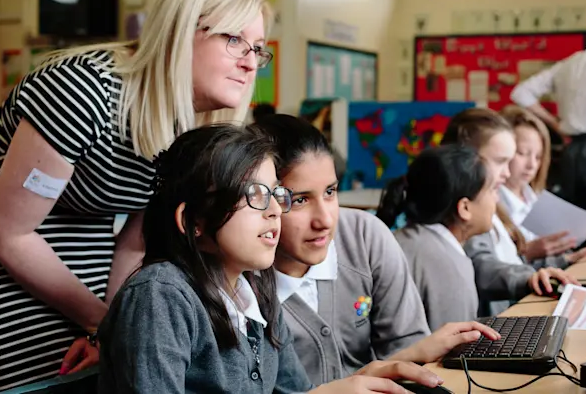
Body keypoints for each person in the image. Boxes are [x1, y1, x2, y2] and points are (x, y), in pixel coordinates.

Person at [0, 0, 275, 393]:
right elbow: (6, 232)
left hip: (76, 297)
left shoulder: (180, 124)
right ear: (181, 28)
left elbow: (136, 241)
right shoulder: (82, 90)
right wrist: (106, 322)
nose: (250, 63)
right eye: (234, 40)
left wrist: (112, 324)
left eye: (259, 49)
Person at [99, 124, 444, 394]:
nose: (276, 210)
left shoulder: (255, 294)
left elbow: (297, 392)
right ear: (194, 221)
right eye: (255, 196)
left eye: (276, 194)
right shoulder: (160, 296)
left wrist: (365, 378)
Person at [250, 114, 499, 386]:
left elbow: (408, 349)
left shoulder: (364, 236)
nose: (325, 220)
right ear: (259, 201)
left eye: (331, 192)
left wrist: (410, 355)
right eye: (300, 200)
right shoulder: (240, 280)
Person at [441, 108, 578, 316]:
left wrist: (565, 261)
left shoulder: (491, 209)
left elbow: (511, 261)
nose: (506, 173)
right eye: (500, 161)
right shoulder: (470, 212)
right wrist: (527, 277)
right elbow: (481, 266)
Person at [379, 145, 496, 330]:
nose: (496, 200)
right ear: (465, 208)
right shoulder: (448, 268)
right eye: (492, 190)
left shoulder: (406, 239)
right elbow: (453, 352)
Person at [499, 106, 586, 268]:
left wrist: (575, 255)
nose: (532, 165)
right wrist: (525, 253)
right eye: (521, 153)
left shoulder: (536, 196)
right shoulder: (490, 203)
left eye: (538, 156)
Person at [510, 48, 586, 211]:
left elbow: (521, 93)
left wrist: (554, 123)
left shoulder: (569, 64)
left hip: (570, 150)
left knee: (574, 214)